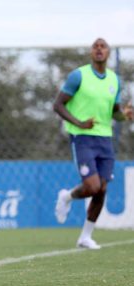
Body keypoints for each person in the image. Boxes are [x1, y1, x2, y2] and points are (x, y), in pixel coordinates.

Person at [53, 38, 133, 250]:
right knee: (92, 186)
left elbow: (115, 113)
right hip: (82, 138)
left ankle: (85, 237)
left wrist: (125, 115)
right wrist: (79, 123)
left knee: (101, 190)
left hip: (104, 139)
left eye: (103, 46)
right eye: (95, 46)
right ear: (91, 52)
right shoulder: (79, 76)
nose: (99, 49)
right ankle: (66, 197)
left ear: (108, 52)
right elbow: (58, 105)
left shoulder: (115, 80)